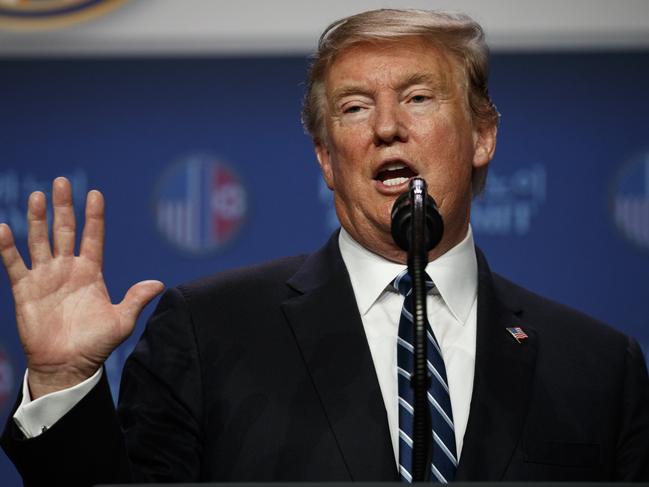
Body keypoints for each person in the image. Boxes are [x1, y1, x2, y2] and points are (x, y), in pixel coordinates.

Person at [1, 8, 648, 486]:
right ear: (325, 157)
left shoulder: (595, 367)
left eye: (418, 98)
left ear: (482, 135)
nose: (388, 126)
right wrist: (62, 383)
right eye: (354, 108)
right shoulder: (210, 334)